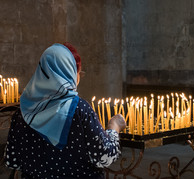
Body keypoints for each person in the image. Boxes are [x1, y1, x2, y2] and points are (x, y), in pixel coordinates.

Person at [4, 42, 126, 178]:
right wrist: (114, 127)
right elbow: (105, 156)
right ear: (70, 73)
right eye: (78, 72)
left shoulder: (22, 112)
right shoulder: (80, 110)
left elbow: (12, 161)